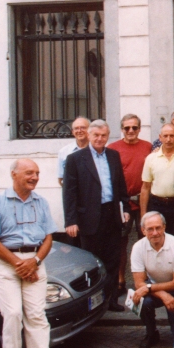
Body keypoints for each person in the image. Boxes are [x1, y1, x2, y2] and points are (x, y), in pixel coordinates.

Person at [0, 159, 57, 348]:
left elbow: (49, 237)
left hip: (34, 261)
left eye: (37, 173)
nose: (35, 177)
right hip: (5, 263)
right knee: (12, 315)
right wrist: (19, 265)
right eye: (29, 173)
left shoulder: (41, 202)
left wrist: (36, 261)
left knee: (36, 316)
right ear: (14, 174)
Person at [63, 119, 130, 312]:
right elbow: (69, 192)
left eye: (103, 135)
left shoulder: (113, 156)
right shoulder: (75, 159)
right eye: (96, 135)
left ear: (108, 136)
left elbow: (121, 187)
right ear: (89, 135)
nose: (100, 139)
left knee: (112, 260)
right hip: (89, 218)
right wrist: (71, 220)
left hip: (111, 215)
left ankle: (109, 300)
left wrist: (125, 208)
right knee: (91, 261)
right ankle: (91, 304)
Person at [130, 211, 174, 348]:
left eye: (158, 228)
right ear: (143, 230)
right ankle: (151, 333)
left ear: (164, 227)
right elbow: (139, 283)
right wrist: (163, 294)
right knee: (144, 302)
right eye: (150, 229)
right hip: (153, 288)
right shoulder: (138, 247)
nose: (155, 232)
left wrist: (149, 288)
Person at [108, 114, 152, 295]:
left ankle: (146, 279)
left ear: (140, 129)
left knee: (147, 241)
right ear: (122, 129)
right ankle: (120, 280)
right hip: (123, 203)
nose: (131, 131)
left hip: (144, 202)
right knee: (120, 243)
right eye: (127, 128)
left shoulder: (148, 147)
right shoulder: (113, 148)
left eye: (134, 127)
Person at [140, 124, 174, 240]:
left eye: (171, 136)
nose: (168, 139)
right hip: (156, 204)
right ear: (160, 137)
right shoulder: (151, 158)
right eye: (165, 136)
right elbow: (145, 187)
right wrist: (143, 214)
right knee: (156, 239)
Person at [57, 116, 89, 187]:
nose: (79, 131)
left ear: (90, 130)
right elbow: (61, 178)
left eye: (83, 128)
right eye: (76, 128)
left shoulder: (97, 150)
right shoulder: (64, 152)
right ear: (72, 132)